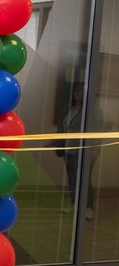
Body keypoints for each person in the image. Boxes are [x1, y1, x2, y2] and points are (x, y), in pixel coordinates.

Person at [58, 82, 102, 220]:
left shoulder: (92, 110)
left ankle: (88, 208)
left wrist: (94, 149)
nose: (77, 93)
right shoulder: (69, 108)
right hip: (69, 150)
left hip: (85, 151)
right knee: (72, 178)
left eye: (80, 91)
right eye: (75, 91)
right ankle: (74, 204)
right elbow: (63, 127)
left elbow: (98, 130)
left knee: (84, 180)